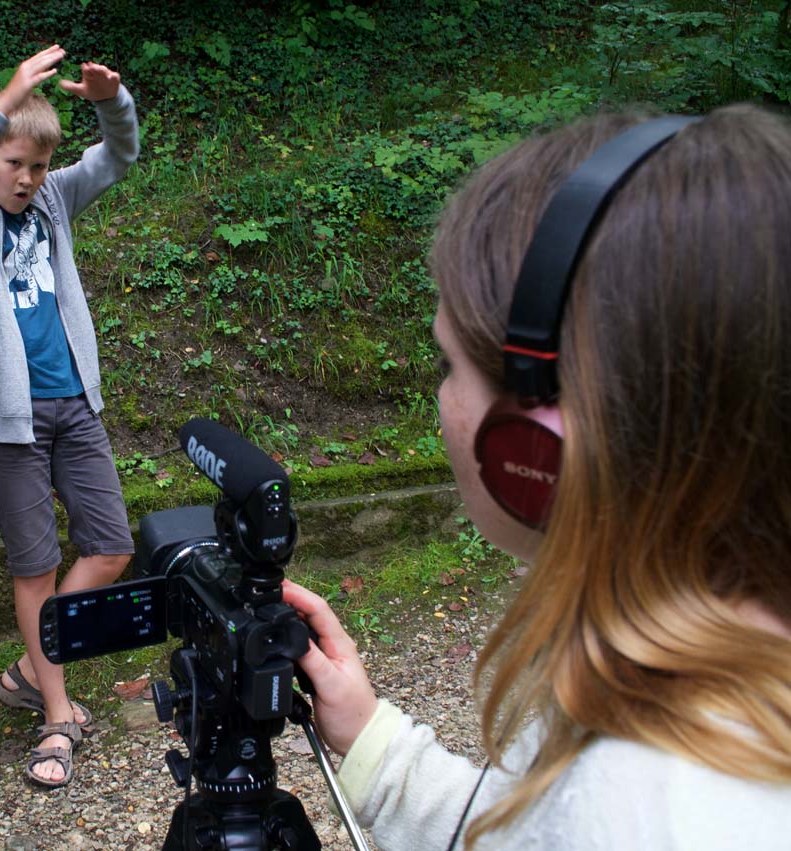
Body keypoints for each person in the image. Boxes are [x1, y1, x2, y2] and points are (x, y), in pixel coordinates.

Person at [285, 103, 791, 849]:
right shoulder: (681, 687)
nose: (440, 397)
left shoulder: (644, 809)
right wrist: (373, 744)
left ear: (537, 443)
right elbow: (521, 829)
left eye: (447, 362)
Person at [0, 45, 139, 788]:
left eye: (38, 167)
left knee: (111, 546)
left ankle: (29, 666)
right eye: (13, 163)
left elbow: (118, 156)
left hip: (75, 404)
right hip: (7, 419)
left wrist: (111, 102)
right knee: (36, 566)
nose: (26, 178)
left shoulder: (52, 200)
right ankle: (56, 713)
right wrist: (3, 102)